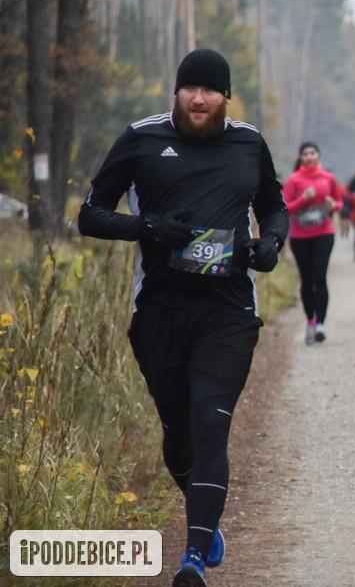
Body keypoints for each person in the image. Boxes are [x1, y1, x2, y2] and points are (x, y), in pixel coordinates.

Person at [77, 48, 289, 587]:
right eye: (190, 88)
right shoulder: (141, 138)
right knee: (178, 430)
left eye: (210, 90)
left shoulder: (248, 142)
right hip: (160, 312)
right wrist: (147, 227)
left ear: (225, 96)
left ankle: (193, 558)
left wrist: (273, 244)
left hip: (229, 309)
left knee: (210, 423)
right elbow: (91, 215)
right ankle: (203, 514)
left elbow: (274, 206)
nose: (199, 98)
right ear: (176, 91)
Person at [282, 142, 343, 345]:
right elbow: (285, 208)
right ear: (300, 158)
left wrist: (334, 206)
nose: (309, 157)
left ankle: (321, 325)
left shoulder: (328, 178)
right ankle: (310, 319)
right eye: (305, 154)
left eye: (312, 153)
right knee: (306, 280)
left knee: (319, 277)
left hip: (324, 232)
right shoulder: (294, 179)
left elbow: (339, 201)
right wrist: (302, 200)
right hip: (300, 236)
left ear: (318, 155)